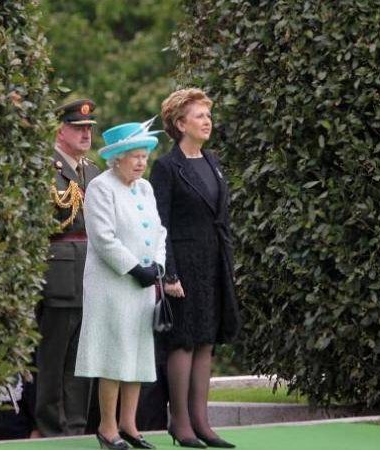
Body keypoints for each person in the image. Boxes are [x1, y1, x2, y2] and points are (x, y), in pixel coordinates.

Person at [150, 88, 241, 448]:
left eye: (208, 115)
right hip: (183, 267)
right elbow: (161, 225)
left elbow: (221, 220)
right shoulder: (166, 167)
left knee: (206, 341)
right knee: (183, 342)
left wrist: (228, 266)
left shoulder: (213, 162)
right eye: (199, 115)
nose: (207, 121)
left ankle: (202, 422)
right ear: (179, 123)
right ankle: (181, 423)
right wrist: (169, 274)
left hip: (213, 264)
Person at [75, 118, 167, 450]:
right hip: (112, 288)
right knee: (113, 358)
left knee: (138, 358)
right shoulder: (101, 187)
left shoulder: (145, 188)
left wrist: (157, 264)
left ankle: (130, 426)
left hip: (141, 288)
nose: (142, 162)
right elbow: (102, 238)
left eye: (145, 156)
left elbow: (159, 231)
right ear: (118, 158)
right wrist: (133, 268)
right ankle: (107, 428)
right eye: (136, 156)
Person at [35, 98, 101, 437]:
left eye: (88, 128)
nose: (85, 134)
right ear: (61, 130)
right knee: (53, 359)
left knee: (81, 360)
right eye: (78, 128)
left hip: (89, 275)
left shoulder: (92, 171)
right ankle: (49, 429)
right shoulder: (45, 169)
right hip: (58, 275)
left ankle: (76, 428)